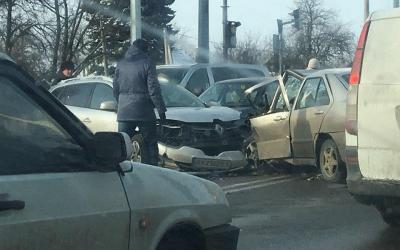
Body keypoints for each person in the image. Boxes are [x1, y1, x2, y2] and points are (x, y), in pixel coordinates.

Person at [113, 39, 167, 166]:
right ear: (145, 50)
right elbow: (153, 89)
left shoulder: (120, 64)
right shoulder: (147, 63)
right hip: (144, 111)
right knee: (150, 143)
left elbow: (115, 88)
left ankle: (121, 171)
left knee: (123, 144)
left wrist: (121, 102)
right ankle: (153, 171)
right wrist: (161, 109)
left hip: (124, 111)